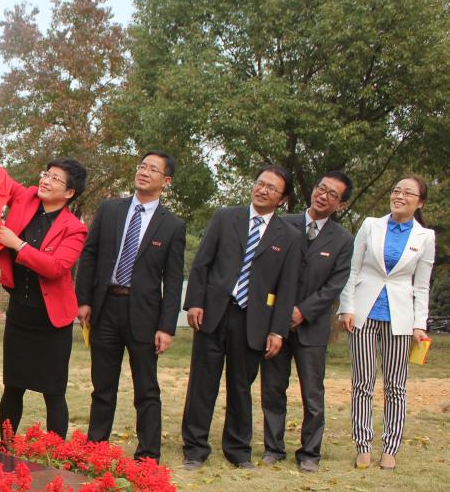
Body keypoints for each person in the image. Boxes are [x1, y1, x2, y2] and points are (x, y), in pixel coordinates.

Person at [180, 165, 299, 470]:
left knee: (241, 386)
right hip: (213, 313)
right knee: (202, 383)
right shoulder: (225, 217)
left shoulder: (289, 236)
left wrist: (278, 331)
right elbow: (202, 263)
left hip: (253, 321)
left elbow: (286, 289)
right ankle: (195, 448)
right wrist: (194, 303)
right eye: (260, 183)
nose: (263, 190)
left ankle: (238, 450)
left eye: (271, 188)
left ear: (282, 198)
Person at [75, 151, 186, 460]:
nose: (144, 172)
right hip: (105, 308)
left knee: (146, 389)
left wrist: (166, 327)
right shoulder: (110, 209)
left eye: (153, 169)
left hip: (144, 316)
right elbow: (89, 255)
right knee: (103, 387)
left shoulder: (172, 225)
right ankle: (95, 449)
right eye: (142, 166)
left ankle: (148, 455)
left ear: (166, 181)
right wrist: (83, 300)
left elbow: (173, 280)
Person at [259, 171, 354, 472]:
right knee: (273, 388)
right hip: (276, 325)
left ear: (340, 205)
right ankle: (273, 448)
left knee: (312, 394)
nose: (323, 196)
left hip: (312, 328)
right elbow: (267, 270)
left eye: (332, 194)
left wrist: (302, 311)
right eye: (321, 189)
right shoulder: (282, 223)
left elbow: (334, 285)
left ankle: (310, 453)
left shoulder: (343, 240)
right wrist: (279, 311)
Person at [337, 177, 435, 471]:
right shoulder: (370, 225)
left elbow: (422, 285)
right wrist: (347, 307)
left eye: (408, 193)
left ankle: (391, 448)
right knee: (362, 383)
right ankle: (363, 446)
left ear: (420, 202)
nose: (399, 196)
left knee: (396, 386)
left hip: (401, 318)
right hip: (363, 314)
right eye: (396, 191)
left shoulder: (425, 237)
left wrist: (419, 323)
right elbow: (352, 268)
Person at [0, 159, 88, 439]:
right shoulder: (26, 199)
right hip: (20, 315)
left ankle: (54, 453)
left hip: (52, 322)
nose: (45, 180)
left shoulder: (75, 228)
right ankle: (5, 448)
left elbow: (56, 267)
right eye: (46, 174)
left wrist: (17, 244)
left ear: (69, 192)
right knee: (13, 387)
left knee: (53, 392)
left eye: (55, 178)